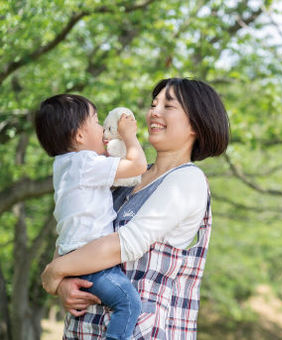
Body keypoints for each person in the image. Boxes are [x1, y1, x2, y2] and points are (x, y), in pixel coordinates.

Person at [41, 78, 230, 339]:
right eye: (154, 104)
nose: (154, 111)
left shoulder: (187, 180)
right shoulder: (126, 178)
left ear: (196, 123)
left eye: (168, 106)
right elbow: (74, 231)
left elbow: (124, 245)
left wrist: (54, 271)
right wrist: (63, 284)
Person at [35, 94, 147, 340]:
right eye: (97, 122)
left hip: (70, 256)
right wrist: (129, 136)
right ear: (79, 136)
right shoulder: (86, 163)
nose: (102, 129)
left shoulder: (63, 165)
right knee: (128, 303)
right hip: (90, 261)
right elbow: (138, 166)